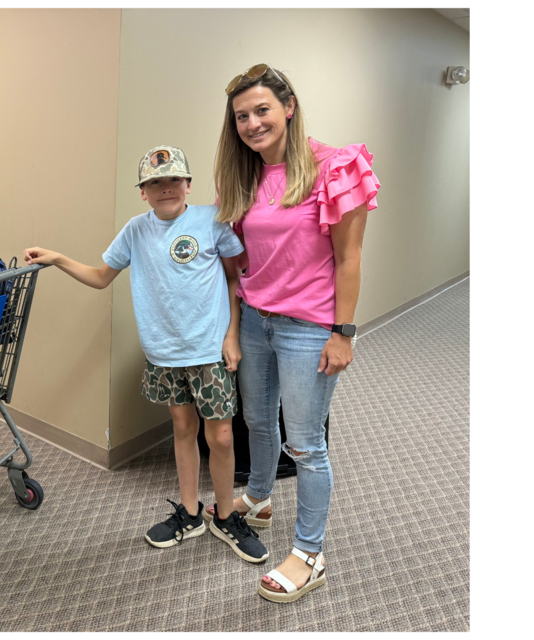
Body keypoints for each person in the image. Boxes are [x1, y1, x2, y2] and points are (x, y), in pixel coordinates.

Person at [24, 146, 268, 564]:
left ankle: (225, 516)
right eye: (155, 182)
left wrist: (232, 336)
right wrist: (58, 258)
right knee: (182, 427)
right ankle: (190, 513)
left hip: (209, 349)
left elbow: (235, 282)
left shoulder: (211, 221)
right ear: (143, 192)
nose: (166, 188)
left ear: (188, 184)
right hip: (165, 352)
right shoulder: (136, 231)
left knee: (222, 435)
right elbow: (102, 278)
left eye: (174, 180)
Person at [209, 64, 381, 602]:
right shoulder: (244, 176)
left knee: (305, 444)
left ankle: (309, 552)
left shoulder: (335, 167)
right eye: (242, 116)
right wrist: (234, 326)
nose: (253, 123)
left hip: (309, 328)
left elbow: (349, 259)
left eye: (262, 110)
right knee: (258, 421)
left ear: (288, 107)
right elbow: (238, 260)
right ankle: (258, 498)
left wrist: (343, 333)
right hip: (257, 320)